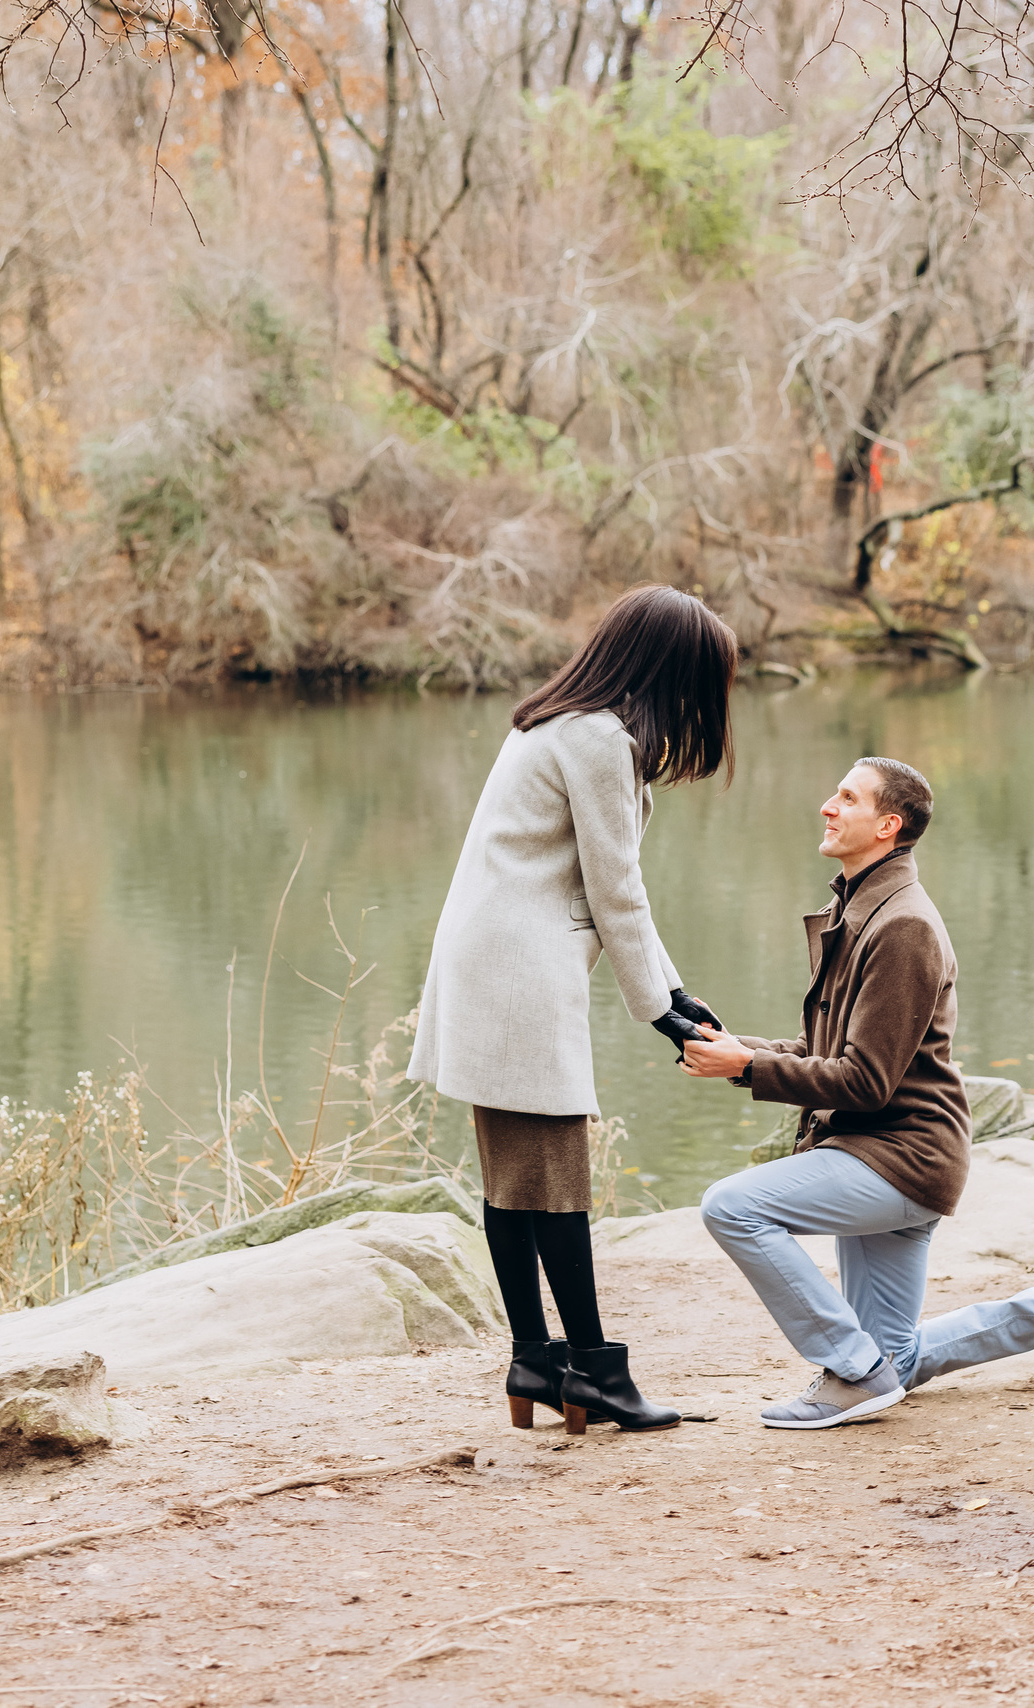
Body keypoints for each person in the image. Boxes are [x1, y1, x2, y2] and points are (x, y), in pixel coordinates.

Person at [680, 758, 1034, 1429]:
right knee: (893, 1361)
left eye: (847, 797)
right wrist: (738, 1052)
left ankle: (849, 1369)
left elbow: (865, 1082)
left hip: (898, 1157)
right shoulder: (860, 909)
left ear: (888, 824)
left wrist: (750, 1068)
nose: (827, 805)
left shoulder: (903, 926)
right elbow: (829, 1052)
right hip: (881, 1152)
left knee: (732, 1207)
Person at [409, 584, 736, 1436]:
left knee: (518, 1178)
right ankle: (592, 1372)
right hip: (516, 970)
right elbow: (614, 888)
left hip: (495, 960)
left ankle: (536, 1357)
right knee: (553, 1177)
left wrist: (674, 989)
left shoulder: (559, 724)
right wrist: (660, 1009)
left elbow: (613, 889)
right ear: (672, 670)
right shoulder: (597, 740)